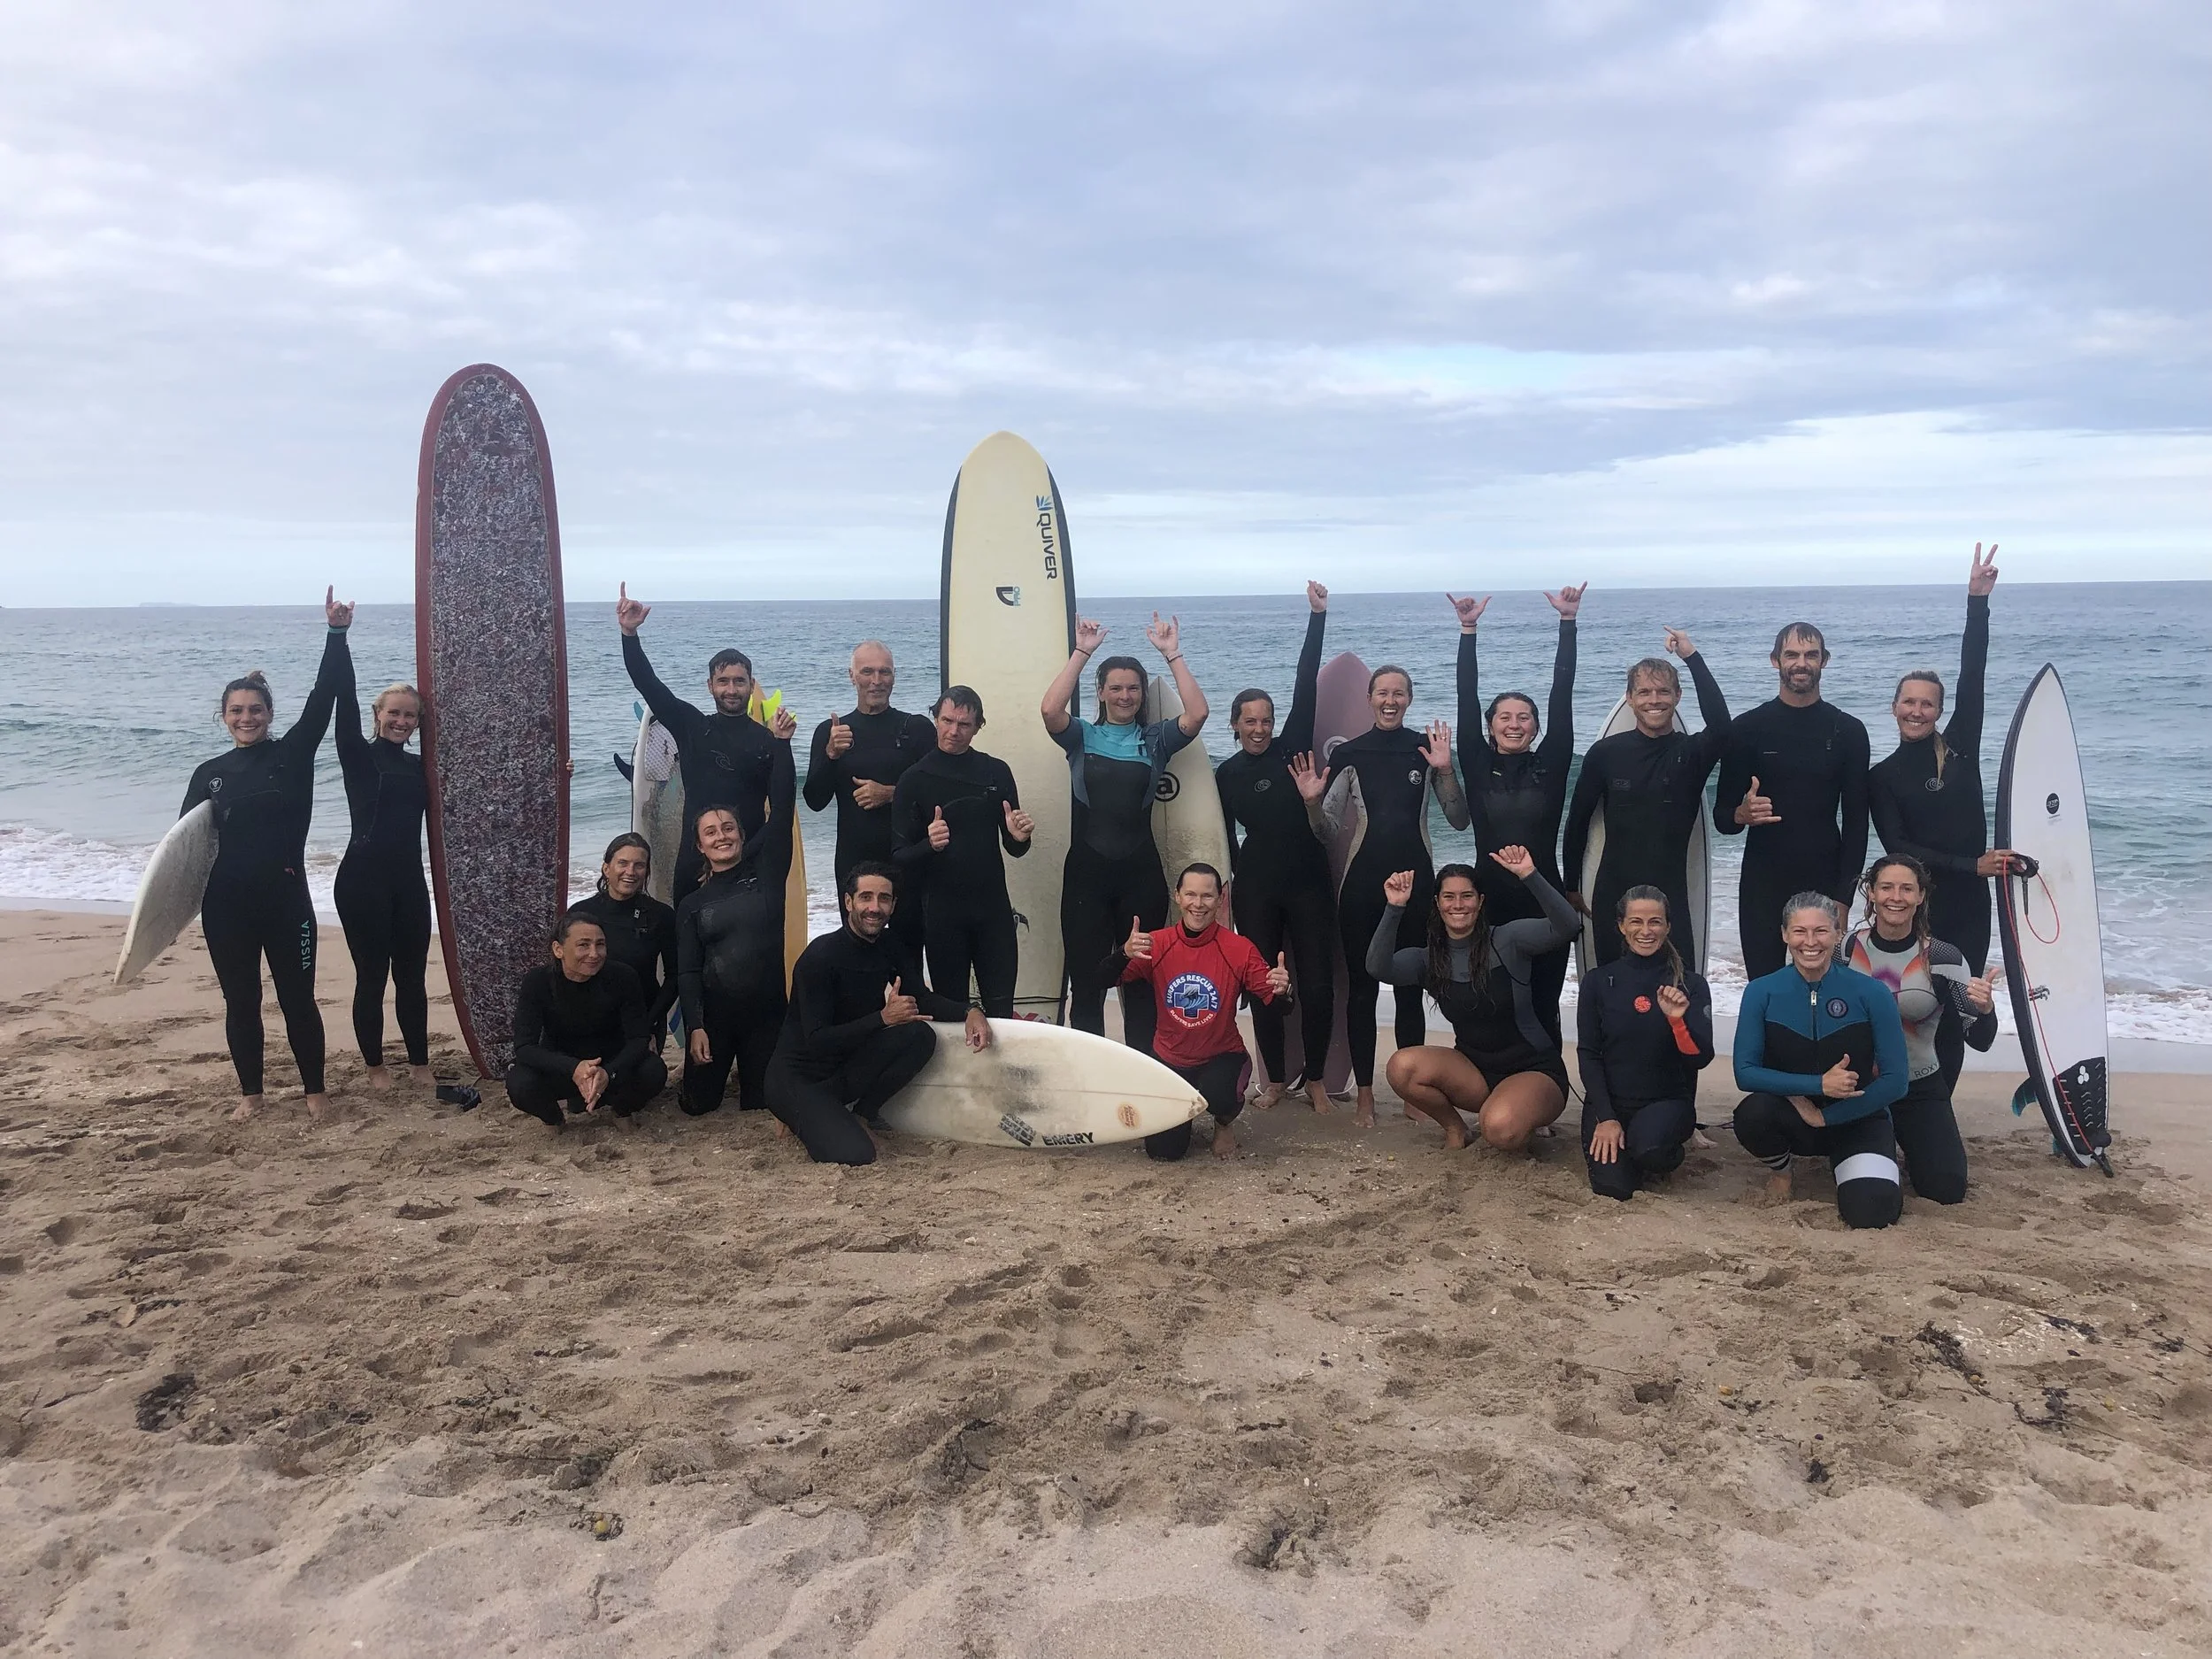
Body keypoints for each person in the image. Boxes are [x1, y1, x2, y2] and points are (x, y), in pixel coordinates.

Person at [180, 588, 350, 1123]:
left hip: (286, 901)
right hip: (226, 906)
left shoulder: (293, 755)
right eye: (237, 711)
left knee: (299, 999)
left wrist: (337, 635)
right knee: (241, 1002)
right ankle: (250, 1094)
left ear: (270, 713)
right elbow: (185, 849)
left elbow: (326, 698)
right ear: (224, 716)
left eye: (255, 710)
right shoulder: (209, 773)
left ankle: (315, 1091)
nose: (246, 718)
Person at [1867, 543, 2030, 1087]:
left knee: (1959, 1002)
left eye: (1927, 704)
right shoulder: (1882, 776)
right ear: (1894, 708)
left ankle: (1937, 1101)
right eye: (1908, 702)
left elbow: (1973, 675)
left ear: (1938, 711)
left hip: (1967, 905)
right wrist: (1970, 863)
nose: (1917, 711)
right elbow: (1899, 849)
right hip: (1910, 907)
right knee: (1910, 1000)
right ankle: (1899, 1087)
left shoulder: (1959, 746)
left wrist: (1976, 603)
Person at [1307, 665, 1470, 1125]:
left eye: (1399, 693)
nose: (1390, 700)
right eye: (1383, 693)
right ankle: (1364, 1094)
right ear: (1369, 698)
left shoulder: (1425, 750)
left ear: (1410, 699)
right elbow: (1327, 831)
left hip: (1418, 888)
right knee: (1361, 991)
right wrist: (1311, 801)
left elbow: (1458, 819)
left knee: (1409, 989)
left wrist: (1446, 768)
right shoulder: (1351, 754)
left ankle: (1411, 1094)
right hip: (1362, 888)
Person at [1041, 613, 1210, 1052]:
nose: (1125, 695)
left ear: (1141, 694)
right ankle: (1091, 1076)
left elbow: (1198, 713)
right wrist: (1082, 652)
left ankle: (1141, 1078)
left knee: (1139, 982)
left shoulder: (1156, 740)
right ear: (1100, 692)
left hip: (1140, 876)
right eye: (1114, 687)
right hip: (1086, 878)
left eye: (1133, 687)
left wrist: (1172, 654)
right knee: (1089, 983)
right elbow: (1049, 710)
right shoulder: (1081, 736)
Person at [766, 862, 993, 1165]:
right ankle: (797, 1115)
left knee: (919, 1036)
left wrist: (970, 1011)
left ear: (893, 905)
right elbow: (817, 1041)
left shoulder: (888, 944)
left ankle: (861, 1115)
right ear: (849, 902)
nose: (875, 907)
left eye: (884, 898)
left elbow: (920, 999)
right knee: (856, 1155)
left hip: (843, 1070)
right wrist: (882, 1019)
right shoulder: (819, 959)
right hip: (799, 1078)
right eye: (866, 897)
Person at [1214, 580, 1335, 1112]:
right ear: (1235, 725)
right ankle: (1278, 1079)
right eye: (1250, 721)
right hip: (1257, 885)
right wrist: (1229, 888)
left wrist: (1317, 618)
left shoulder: (1294, 750)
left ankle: (1314, 1079)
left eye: (1265, 719)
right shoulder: (1228, 774)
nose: (1260, 728)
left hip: (1309, 878)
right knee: (1264, 985)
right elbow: (1222, 836)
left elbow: (1305, 681)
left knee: (1316, 984)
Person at [1365, 849, 1578, 1153]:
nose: (1458, 905)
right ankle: (1455, 1128)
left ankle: (1516, 1112)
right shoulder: (1429, 959)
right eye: (1449, 897)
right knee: (1402, 1067)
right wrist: (1395, 908)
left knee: (1500, 1130)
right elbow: (1377, 967)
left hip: (1534, 1071)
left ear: (1480, 901)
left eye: (1467, 896)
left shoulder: (1509, 940)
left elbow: (1567, 926)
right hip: (1474, 1072)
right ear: (1438, 903)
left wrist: (1530, 875)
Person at [1732, 894, 1909, 1229]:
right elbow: (1745, 1072)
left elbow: (1896, 1080)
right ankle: (1783, 1170)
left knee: (1871, 1213)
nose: (1810, 942)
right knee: (1752, 1113)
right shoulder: (1761, 991)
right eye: (1799, 932)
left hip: (1858, 1119)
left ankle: (1857, 1166)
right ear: (1784, 934)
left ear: (1838, 933)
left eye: (1821, 931)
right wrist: (1815, 1088)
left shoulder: (1872, 993)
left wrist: (1826, 1117)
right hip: (1794, 1116)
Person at [1451, 582, 1583, 1033]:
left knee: (1545, 1003)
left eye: (1523, 717)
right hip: (1488, 900)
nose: (1514, 724)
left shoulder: (1552, 761)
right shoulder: (1475, 758)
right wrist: (1468, 632)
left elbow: (1561, 690)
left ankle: (1547, 1085)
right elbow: (1465, 698)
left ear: (1536, 727)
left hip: (1545, 897)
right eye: (1504, 717)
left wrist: (1568, 622)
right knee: (1491, 999)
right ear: (1490, 728)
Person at [1562, 629, 1732, 970]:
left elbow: (1723, 727)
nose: (1654, 699)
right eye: (1644, 692)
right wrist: (1570, 886)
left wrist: (1691, 657)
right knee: (1615, 990)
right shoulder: (1605, 753)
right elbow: (1578, 820)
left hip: (1671, 898)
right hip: (1613, 893)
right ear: (1630, 698)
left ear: (1678, 696)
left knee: (1677, 987)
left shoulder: (1693, 753)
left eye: (1663, 691)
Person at [1716, 622, 1871, 979]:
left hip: (1824, 876)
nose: (1801, 663)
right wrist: (1741, 813)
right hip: (1762, 881)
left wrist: (1844, 897)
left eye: (1811, 654)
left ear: (1824, 661)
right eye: (1792, 654)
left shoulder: (1847, 730)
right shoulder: (1748, 728)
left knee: (1827, 987)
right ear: (1775, 661)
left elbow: (1857, 821)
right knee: (1764, 986)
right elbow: (1722, 819)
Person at [1107, 863, 1292, 1161]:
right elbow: (1100, 980)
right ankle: (1182, 1113)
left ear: (1220, 900)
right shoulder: (1158, 944)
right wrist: (1123, 954)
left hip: (1220, 1057)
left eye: (1207, 896)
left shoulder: (1238, 949)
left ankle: (1223, 1122)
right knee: (1164, 1153)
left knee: (1219, 1094)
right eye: (1190, 894)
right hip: (1170, 1060)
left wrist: (1285, 990)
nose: (1198, 904)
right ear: (1177, 897)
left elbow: (1279, 1006)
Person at [1844, 855, 2000, 1204]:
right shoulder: (1845, 950)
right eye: (1886, 887)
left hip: (1919, 1086)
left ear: (1920, 897)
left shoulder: (1943, 957)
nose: (1895, 897)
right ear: (1870, 893)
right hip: (1859, 1088)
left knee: (1946, 1188)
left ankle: (1913, 1144)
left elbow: (1980, 1040)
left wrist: (1985, 1010)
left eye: (1906, 889)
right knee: (1869, 1192)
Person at [616, 582, 781, 896]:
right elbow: (647, 684)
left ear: (751, 685)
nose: (731, 689)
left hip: (748, 864)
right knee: (687, 940)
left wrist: (741, 858)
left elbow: (780, 813)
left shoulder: (766, 742)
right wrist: (629, 634)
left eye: (739, 681)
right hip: (694, 860)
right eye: (723, 681)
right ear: (710, 686)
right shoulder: (691, 726)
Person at [675, 703, 800, 1115]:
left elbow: (781, 810)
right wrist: (695, 1026)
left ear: (743, 836)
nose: (721, 836)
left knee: (760, 1104)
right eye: (710, 832)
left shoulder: (767, 875)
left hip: (765, 1018)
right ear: (700, 845)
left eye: (728, 828)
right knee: (697, 1106)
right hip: (715, 1021)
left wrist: (782, 747)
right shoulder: (693, 905)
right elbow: (689, 970)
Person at [891, 687, 1034, 1016]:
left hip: (993, 913)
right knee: (954, 1013)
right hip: (943, 918)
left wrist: (1019, 837)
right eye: (947, 721)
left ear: (978, 726)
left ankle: (1000, 1069)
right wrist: (929, 844)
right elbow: (899, 856)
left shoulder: (996, 772)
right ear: (936, 719)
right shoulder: (913, 780)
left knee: (1001, 1012)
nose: (954, 731)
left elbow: (1015, 849)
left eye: (964, 724)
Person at [331, 647, 434, 1096]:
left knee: (413, 978)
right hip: (362, 882)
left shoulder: (422, 766)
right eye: (394, 713)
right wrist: (340, 637)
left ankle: (419, 1062)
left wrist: (559, 772)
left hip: (409, 882)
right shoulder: (358, 756)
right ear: (378, 714)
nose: (402, 721)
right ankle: (375, 1066)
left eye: (411, 716)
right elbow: (343, 700)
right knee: (371, 977)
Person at [1577, 888, 1716, 1200]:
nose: (1646, 930)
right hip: (1611, 1103)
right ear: (1621, 926)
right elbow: (1588, 1054)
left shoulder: (1690, 984)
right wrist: (1606, 1117)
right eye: (1636, 921)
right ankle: (1627, 1147)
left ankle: (1662, 1151)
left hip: (1666, 1101)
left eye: (1655, 922)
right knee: (1613, 1189)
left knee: (1651, 1151)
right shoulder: (1598, 982)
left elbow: (1700, 1058)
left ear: (1667, 927)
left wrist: (1677, 1021)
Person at [803, 641, 937, 951]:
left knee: (907, 954)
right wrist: (830, 754)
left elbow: (935, 796)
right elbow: (814, 800)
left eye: (884, 672)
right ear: (852, 676)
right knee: (857, 955)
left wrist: (892, 794)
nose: (876, 680)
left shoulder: (916, 728)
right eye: (867, 672)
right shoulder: (831, 732)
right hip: (853, 862)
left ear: (894, 677)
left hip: (907, 862)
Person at [504, 910, 667, 1127]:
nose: (594, 953)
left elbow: (638, 1039)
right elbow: (525, 1047)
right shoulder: (538, 981)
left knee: (654, 1070)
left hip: (611, 1065)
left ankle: (621, 1109)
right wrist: (574, 1068)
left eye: (600, 944)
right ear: (558, 949)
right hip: (562, 1066)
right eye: (583, 945)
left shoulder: (623, 976)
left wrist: (608, 1072)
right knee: (519, 1083)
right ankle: (555, 1119)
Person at [570, 833, 680, 1052]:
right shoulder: (580, 913)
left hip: (643, 1018)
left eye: (639, 865)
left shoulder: (661, 915)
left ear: (646, 872)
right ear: (606, 868)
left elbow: (675, 977)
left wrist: (648, 1025)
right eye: (623, 863)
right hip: (589, 1020)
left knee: (648, 1076)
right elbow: (564, 972)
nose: (630, 872)